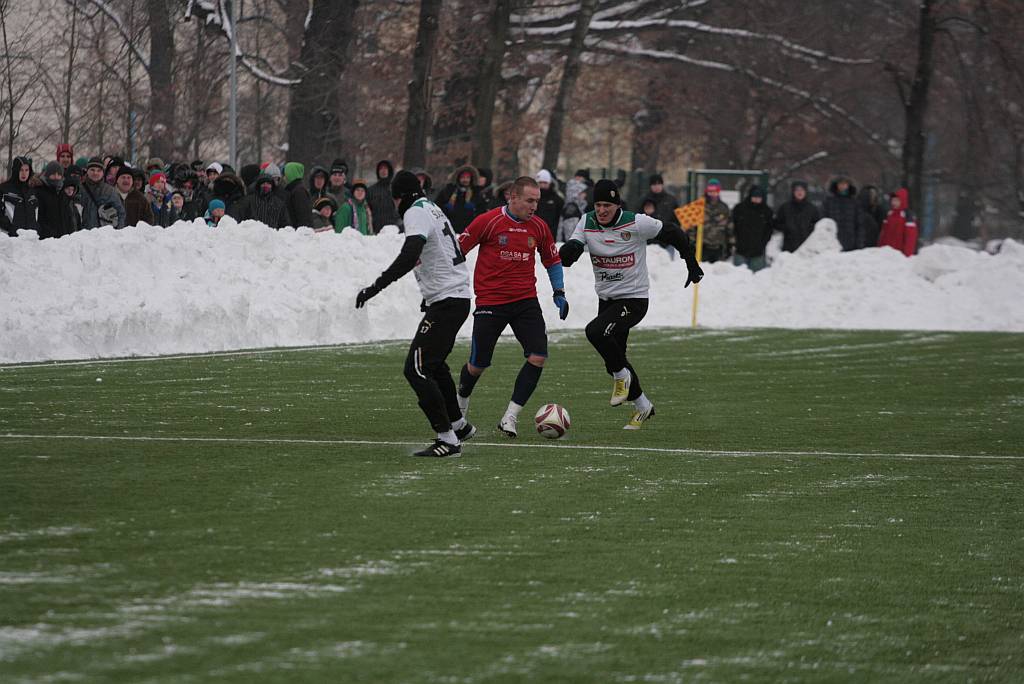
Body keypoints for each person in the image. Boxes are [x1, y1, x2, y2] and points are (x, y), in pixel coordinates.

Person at [558, 179, 703, 429]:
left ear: (617, 205)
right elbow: (574, 247)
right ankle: (644, 406)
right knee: (614, 360)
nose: (601, 210)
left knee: (595, 333)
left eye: (607, 205)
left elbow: (675, 233)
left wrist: (691, 263)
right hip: (607, 300)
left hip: (634, 299)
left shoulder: (637, 222)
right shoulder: (587, 221)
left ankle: (622, 377)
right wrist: (568, 253)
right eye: (598, 204)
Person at [355, 170, 474, 458]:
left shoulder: (415, 211)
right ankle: (459, 425)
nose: (396, 204)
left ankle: (447, 438)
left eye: (395, 198)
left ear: (401, 197)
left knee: (416, 370)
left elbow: (411, 253)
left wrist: (376, 286)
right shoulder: (431, 208)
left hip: (449, 300)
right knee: (433, 365)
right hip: (452, 297)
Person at [454, 176, 568, 437]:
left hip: (525, 301)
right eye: (530, 200)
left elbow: (552, 259)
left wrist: (559, 291)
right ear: (512, 197)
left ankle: (510, 417)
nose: (534, 206)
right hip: (491, 302)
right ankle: (460, 406)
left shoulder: (539, 227)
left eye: (537, 201)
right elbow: (458, 251)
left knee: (538, 356)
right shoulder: (488, 221)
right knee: (477, 364)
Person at [730, 185, 774, 271]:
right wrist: (736, 241)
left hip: (758, 252)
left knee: (757, 279)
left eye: (759, 197)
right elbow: (733, 226)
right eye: (754, 196)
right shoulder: (740, 209)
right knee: (737, 278)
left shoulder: (767, 212)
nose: (756, 199)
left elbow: (769, 230)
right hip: (740, 250)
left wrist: (763, 244)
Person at [773, 180, 819, 252]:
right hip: (789, 247)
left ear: (806, 192)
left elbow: (818, 224)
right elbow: (777, 223)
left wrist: (809, 229)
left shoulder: (812, 208)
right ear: (793, 192)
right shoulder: (785, 207)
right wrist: (787, 228)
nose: (799, 192)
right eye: (797, 190)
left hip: (807, 247)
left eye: (802, 190)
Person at [79, 157, 124, 229]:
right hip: (83, 236)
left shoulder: (110, 191)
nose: (95, 173)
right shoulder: (79, 189)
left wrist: (118, 233)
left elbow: (120, 213)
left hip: (104, 237)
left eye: (99, 170)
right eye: (92, 170)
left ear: (103, 172)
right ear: (87, 171)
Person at [821, 174, 863, 251]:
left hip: (851, 242)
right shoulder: (829, 201)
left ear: (848, 185)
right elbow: (824, 222)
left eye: (845, 183)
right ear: (836, 185)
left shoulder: (854, 202)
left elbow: (859, 224)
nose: (842, 186)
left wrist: (859, 244)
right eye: (840, 183)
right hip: (833, 242)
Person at [0, 156, 40, 236]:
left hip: (30, 240)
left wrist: (37, 230)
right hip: (11, 240)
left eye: (26, 170)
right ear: (16, 170)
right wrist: (11, 229)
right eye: (21, 170)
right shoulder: (3, 189)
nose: (24, 173)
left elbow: (37, 215)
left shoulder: (32, 192)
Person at [436, 165, 481, 233]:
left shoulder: (476, 193)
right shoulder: (448, 191)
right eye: (462, 177)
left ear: (471, 179)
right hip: (448, 227)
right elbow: (437, 206)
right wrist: (445, 209)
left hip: (468, 228)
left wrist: (474, 211)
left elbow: (481, 210)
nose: (465, 180)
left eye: (467, 177)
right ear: (458, 178)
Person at [35, 161, 74, 238]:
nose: (56, 177)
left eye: (59, 174)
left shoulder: (63, 193)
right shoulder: (40, 192)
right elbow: (40, 219)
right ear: (47, 175)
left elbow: (69, 218)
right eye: (53, 174)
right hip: (47, 240)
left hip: (64, 239)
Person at [697, 178, 732, 262]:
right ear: (707, 191)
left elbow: (730, 227)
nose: (713, 194)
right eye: (710, 191)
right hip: (702, 247)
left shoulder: (724, 207)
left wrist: (730, 245)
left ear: (719, 192)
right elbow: (691, 227)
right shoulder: (699, 206)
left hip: (719, 247)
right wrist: (692, 243)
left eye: (715, 191)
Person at [877, 188, 918, 257]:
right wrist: (880, 250)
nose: (894, 203)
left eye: (897, 200)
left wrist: (906, 256)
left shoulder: (908, 216)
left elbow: (910, 239)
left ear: (902, 201)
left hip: (900, 256)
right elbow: (883, 235)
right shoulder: (889, 214)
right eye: (893, 200)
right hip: (886, 255)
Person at [367, 159, 400, 233]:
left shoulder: (397, 189)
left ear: (390, 171)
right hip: (376, 231)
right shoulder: (370, 191)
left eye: (385, 168)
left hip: (395, 231)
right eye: (381, 168)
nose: (383, 171)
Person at [534, 169, 564, 241]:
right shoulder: (532, 198)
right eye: (540, 182)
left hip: (551, 235)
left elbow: (560, 219)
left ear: (549, 183)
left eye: (545, 183)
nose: (542, 185)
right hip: (534, 233)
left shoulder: (557, 199)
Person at [283, 162, 313, 228]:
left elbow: (303, 217)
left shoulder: (299, 192)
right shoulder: (293, 190)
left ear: (291, 174)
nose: (284, 177)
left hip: (299, 233)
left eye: (285, 174)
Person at [859, 184, 886, 249]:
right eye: (870, 194)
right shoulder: (858, 209)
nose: (872, 196)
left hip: (875, 241)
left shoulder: (879, 209)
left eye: (874, 194)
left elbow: (881, 226)